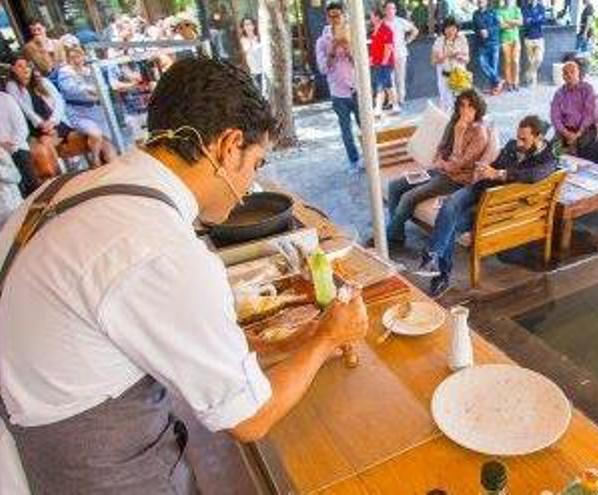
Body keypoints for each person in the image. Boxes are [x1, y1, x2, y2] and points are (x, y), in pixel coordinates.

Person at [0, 57, 368, 494]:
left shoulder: (67, 190)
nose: (251, 184)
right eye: (255, 162)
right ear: (229, 145)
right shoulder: (160, 248)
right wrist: (328, 337)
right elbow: (249, 419)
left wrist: (296, 342)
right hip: (102, 469)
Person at [415, 115, 557, 296]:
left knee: (447, 224)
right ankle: (432, 257)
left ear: (539, 138)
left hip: (494, 207)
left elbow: (533, 175)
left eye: (524, 139)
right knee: (449, 205)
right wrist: (485, 169)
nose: (518, 142)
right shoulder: (512, 146)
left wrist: (499, 174)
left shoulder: (548, 159)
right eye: (518, 136)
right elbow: (495, 166)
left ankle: (441, 275)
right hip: (480, 191)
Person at [386, 90, 489, 247]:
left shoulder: (479, 133)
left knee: (409, 197)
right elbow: (441, 148)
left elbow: (456, 166)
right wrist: (439, 160)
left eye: (470, 107)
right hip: (439, 171)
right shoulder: (454, 122)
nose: (465, 110)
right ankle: (396, 233)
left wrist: (459, 134)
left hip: (454, 180)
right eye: (462, 106)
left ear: (478, 109)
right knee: (394, 186)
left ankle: (390, 236)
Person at [5, 53, 81, 180]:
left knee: (46, 141)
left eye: (27, 66)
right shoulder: (12, 86)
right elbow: (25, 109)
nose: (25, 69)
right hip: (36, 126)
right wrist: (41, 124)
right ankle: (62, 176)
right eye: (20, 66)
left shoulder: (42, 81)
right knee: (44, 142)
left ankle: (65, 175)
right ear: (13, 69)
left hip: (55, 123)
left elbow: (59, 101)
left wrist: (52, 121)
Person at [317, 3, 362, 172]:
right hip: (338, 94)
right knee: (346, 131)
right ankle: (354, 161)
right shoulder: (322, 41)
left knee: (364, 128)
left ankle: (370, 158)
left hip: (357, 90)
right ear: (328, 18)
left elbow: (360, 63)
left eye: (338, 15)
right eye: (332, 16)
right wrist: (333, 48)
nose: (335, 19)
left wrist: (348, 47)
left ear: (344, 16)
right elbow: (323, 69)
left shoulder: (354, 35)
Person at [56, 45, 116, 167]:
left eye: (79, 56)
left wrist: (94, 92)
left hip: (97, 111)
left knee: (111, 156)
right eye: (72, 57)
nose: (76, 60)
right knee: (95, 134)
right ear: (68, 59)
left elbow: (103, 88)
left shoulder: (91, 69)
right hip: (79, 112)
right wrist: (89, 90)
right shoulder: (65, 72)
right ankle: (94, 161)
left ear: (83, 57)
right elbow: (71, 90)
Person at [550, 61, 596, 156]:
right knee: (553, 152)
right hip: (565, 129)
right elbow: (555, 117)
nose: (569, 75)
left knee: (583, 151)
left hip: (584, 129)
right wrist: (566, 133)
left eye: (572, 72)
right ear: (563, 76)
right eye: (566, 73)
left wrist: (578, 133)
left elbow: (589, 113)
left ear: (578, 72)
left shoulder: (587, 89)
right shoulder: (559, 93)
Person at [0, 91, 39, 196]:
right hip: (2, 155)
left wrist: (12, 146)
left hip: (16, 148)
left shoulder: (6, 99)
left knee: (29, 183)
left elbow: (22, 128)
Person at [384, 1, 419, 105]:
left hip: (401, 54)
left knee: (400, 77)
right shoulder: (382, 23)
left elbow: (415, 30)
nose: (391, 11)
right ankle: (392, 100)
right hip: (387, 56)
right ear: (385, 10)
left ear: (395, 10)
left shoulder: (400, 21)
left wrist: (407, 41)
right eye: (388, 8)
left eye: (393, 8)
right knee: (389, 79)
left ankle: (401, 99)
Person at [432, 18, 470, 111]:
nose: (450, 31)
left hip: (459, 76)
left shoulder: (462, 39)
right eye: (448, 28)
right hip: (444, 76)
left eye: (453, 28)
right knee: (446, 105)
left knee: (462, 103)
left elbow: (467, 59)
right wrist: (446, 55)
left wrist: (457, 56)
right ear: (444, 29)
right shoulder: (439, 41)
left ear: (457, 29)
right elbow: (433, 61)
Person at [369, 9, 400, 118]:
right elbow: (375, 46)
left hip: (384, 63)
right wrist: (372, 59)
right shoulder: (375, 29)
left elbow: (388, 47)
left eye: (372, 15)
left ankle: (377, 108)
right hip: (377, 62)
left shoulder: (386, 29)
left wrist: (384, 62)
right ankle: (395, 106)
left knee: (380, 85)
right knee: (388, 85)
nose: (371, 18)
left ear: (377, 17)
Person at [473, 0, 503, 95]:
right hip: (482, 45)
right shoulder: (475, 14)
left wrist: (488, 31)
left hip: (494, 43)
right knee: (483, 64)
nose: (480, 1)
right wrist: (480, 33)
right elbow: (475, 29)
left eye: (482, 0)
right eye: (479, 1)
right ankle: (498, 80)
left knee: (493, 67)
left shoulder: (493, 12)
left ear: (486, 2)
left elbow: (498, 26)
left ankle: (494, 89)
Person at [497, 0, 523, 91]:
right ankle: (509, 83)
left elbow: (520, 23)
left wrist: (508, 21)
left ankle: (516, 82)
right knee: (507, 62)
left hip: (516, 39)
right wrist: (514, 22)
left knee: (515, 61)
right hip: (505, 40)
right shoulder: (499, 11)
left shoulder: (517, 9)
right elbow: (501, 26)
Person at [521, 0, 546, 88]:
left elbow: (543, 21)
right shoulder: (524, 8)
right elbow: (525, 22)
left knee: (539, 59)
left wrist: (531, 20)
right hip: (528, 38)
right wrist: (536, 19)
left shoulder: (541, 8)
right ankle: (532, 82)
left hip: (539, 37)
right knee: (531, 60)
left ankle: (528, 73)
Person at [240, 17, 265, 93]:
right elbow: (247, 50)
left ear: (254, 26)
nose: (247, 27)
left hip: (264, 70)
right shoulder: (243, 40)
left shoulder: (260, 37)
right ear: (243, 27)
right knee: (259, 93)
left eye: (249, 24)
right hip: (254, 71)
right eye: (245, 25)